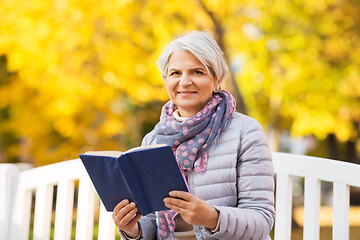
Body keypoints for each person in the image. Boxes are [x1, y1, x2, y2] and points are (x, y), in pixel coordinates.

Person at [112, 31, 275, 240]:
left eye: (197, 72)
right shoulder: (153, 140)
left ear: (217, 79)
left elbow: (262, 220)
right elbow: (152, 220)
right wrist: (132, 229)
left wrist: (212, 217)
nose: (185, 82)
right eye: (175, 73)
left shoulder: (245, 132)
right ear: (165, 80)